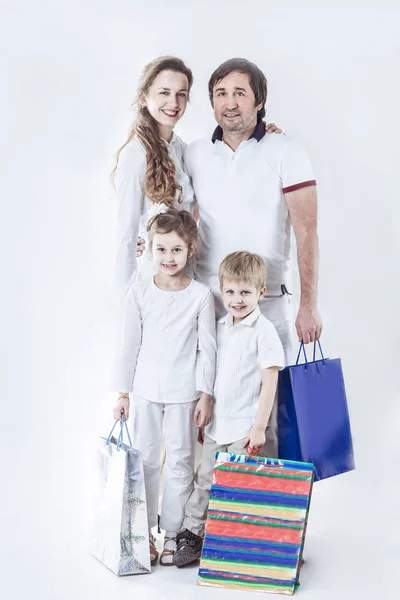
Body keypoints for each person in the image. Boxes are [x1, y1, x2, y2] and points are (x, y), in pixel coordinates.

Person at [184, 57, 322, 360]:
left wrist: (308, 305)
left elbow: (306, 232)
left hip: (268, 302)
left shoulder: (287, 151)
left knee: (273, 404)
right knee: (210, 404)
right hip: (209, 304)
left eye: (239, 93)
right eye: (221, 93)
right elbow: (181, 217)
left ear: (259, 100)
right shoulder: (194, 153)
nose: (230, 103)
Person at [113, 56, 281, 293]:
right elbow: (126, 237)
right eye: (164, 92)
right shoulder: (135, 154)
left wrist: (264, 135)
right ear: (143, 97)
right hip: (155, 285)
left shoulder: (183, 149)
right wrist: (128, 305)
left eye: (181, 94)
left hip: (191, 282)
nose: (173, 102)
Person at [111, 208, 216, 566]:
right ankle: (145, 534)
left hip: (184, 393)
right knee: (147, 461)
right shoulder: (139, 292)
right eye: (161, 249)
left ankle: (172, 533)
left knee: (181, 462)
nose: (168, 258)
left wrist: (206, 393)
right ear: (150, 249)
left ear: (190, 250)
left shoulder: (201, 296)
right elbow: (128, 344)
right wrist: (123, 392)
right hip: (145, 390)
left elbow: (207, 350)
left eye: (176, 250)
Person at [173, 251, 284, 567]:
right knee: (205, 479)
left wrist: (259, 427)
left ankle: (234, 540)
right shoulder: (219, 326)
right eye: (231, 291)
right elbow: (210, 373)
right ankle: (192, 535)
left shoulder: (264, 332)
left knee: (235, 485)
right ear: (221, 290)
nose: (237, 299)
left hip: (244, 428)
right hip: (216, 426)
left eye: (245, 292)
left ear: (261, 293)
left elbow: (269, 383)